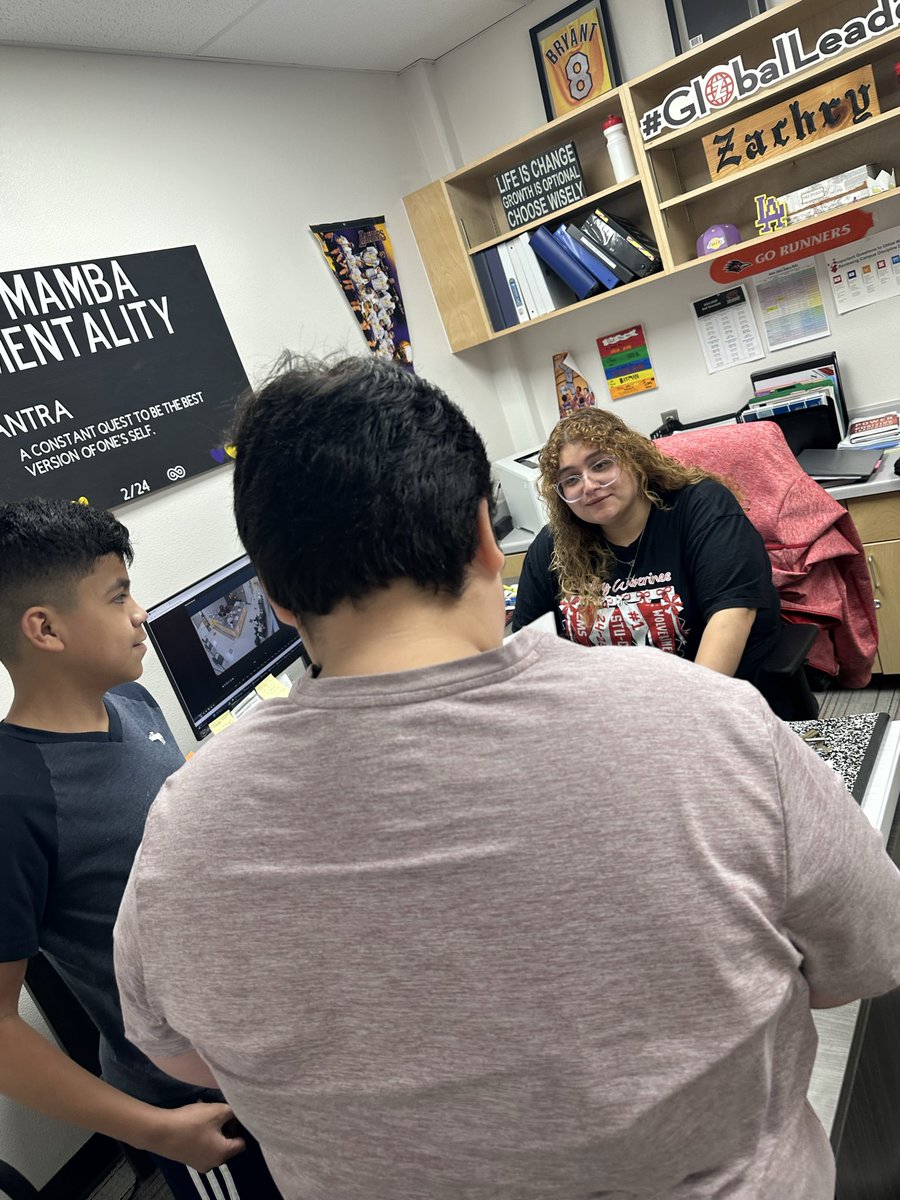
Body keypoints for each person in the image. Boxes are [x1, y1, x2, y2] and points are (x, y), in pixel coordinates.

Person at [114, 356, 900, 1200]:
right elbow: (868, 953)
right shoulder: (704, 723)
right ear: (490, 539)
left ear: (273, 597)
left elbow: (182, 1054)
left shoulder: (180, 827)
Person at [0, 497, 281, 1200]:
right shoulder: (14, 797)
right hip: (187, 1104)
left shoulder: (133, 705)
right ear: (44, 628)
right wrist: (155, 1130)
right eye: (119, 595)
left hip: (266, 1054)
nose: (141, 614)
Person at [512, 406, 782, 689]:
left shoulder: (701, 508)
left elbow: (732, 616)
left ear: (633, 459)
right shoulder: (553, 546)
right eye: (571, 479)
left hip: (714, 704)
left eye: (601, 465)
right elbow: (528, 651)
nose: (588, 485)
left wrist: (686, 718)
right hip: (609, 716)